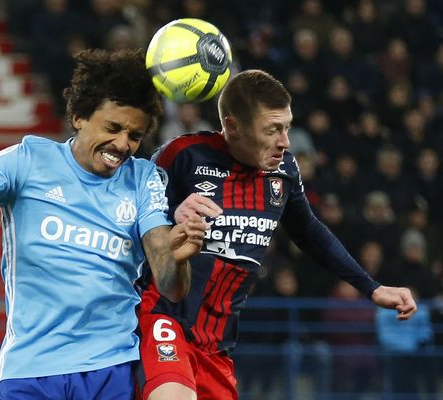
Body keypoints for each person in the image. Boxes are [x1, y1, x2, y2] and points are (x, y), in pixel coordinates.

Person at [0, 48, 207, 400]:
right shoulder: (27, 160)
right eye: (113, 128)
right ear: (78, 117)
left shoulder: (144, 179)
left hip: (111, 368)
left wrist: (178, 259)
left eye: (134, 136)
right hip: (30, 372)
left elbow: (171, 286)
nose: (122, 144)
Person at [136, 69, 418, 400]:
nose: (284, 141)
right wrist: (171, 219)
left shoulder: (284, 172)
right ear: (233, 126)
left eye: (287, 127)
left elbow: (309, 231)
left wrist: (371, 287)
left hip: (216, 342)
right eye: (272, 130)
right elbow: (137, 224)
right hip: (164, 315)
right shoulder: (183, 155)